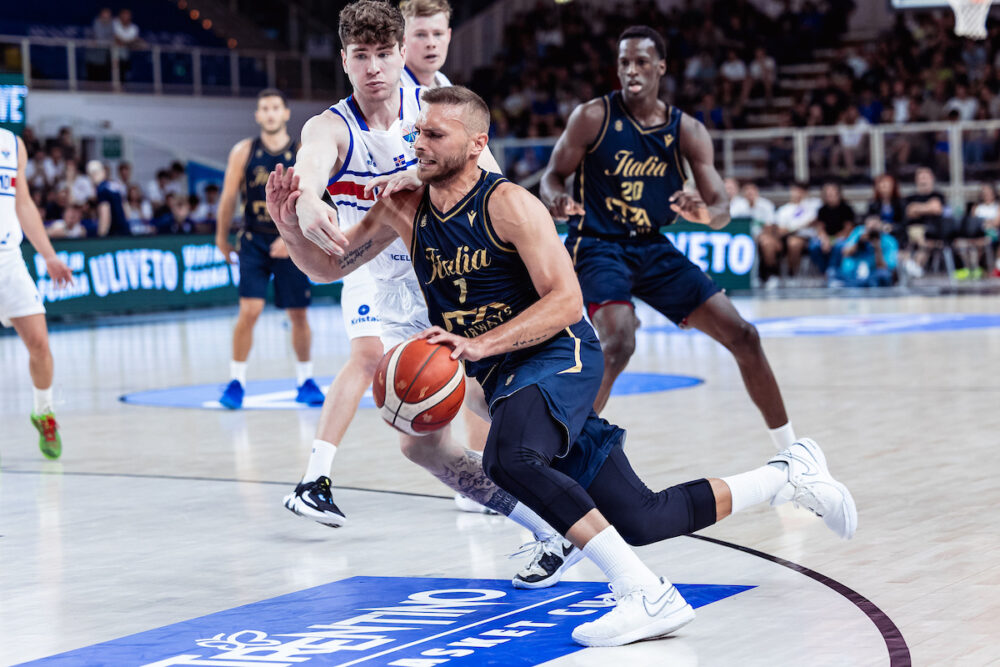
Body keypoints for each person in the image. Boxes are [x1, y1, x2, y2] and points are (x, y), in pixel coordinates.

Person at [265, 84, 857, 648]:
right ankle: (788, 474)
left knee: (507, 457)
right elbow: (331, 266)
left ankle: (644, 592)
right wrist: (290, 227)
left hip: (561, 355)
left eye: (436, 135)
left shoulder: (510, 205)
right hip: (510, 377)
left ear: (475, 145)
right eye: (418, 132)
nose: (419, 144)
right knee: (642, 517)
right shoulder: (400, 205)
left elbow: (567, 302)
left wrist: (480, 346)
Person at [280, 0, 571, 590]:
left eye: (383, 54)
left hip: (460, 272)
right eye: (360, 56)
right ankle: (545, 524)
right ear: (345, 61)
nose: (374, 68)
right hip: (386, 285)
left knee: (503, 409)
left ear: (400, 52)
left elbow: (489, 179)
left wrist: (417, 173)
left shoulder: (434, 112)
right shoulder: (331, 127)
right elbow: (311, 168)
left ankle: (575, 512)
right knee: (421, 447)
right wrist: (305, 203)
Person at [539, 26, 797, 454]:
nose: (631, 70)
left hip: (652, 246)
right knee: (619, 342)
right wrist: (556, 200)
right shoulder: (593, 117)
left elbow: (721, 211)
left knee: (745, 335)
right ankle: (568, 455)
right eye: (624, 62)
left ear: (661, 67)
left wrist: (703, 214)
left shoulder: (688, 130)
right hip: (598, 244)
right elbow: (552, 174)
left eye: (641, 61)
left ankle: (793, 451)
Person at [400, 0, 493, 515]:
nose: (431, 42)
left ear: (451, 35)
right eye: (421, 33)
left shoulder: (451, 92)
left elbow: (485, 168)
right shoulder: (395, 97)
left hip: (457, 250)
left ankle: (486, 468)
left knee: (476, 365)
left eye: (438, 33)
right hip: (403, 258)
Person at [213, 89, 323, 410]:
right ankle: (236, 381)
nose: (271, 113)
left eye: (276, 107)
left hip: (292, 240)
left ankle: (305, 380)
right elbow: (228, 198)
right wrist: (221, 237)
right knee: (250, 311)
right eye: (265, 108)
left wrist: (294, 236)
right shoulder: (244, 151)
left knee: (298, 314)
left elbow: (316, 198)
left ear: (286, 113)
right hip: (254, 240)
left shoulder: (302, 151)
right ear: (258, 115)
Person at [0, 127, 74, 459]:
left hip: (8, 259)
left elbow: (23, 203)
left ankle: (43, 412)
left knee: (40, 344)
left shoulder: (12, 145)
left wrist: (49, 255)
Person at [759, 182, 820, 283]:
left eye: (801, 191)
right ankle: (773, 274)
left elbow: (815, 221)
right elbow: (781, 230)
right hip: (785, 237)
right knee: (767, 243)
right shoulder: (784, 210)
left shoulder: (814, 205)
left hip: (807, 238)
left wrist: (793, 228)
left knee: (794, 243)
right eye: (795, 190)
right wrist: (799, 226)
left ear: (806, 192)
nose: (798, 193)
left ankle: (792, 275)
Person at [903, 167, 950, 274]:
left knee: (925, 238)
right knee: (915, 235)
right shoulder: (910, 197)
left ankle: (916, 265)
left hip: (935, 231)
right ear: (916, 180)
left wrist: (917, 208)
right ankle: (912, 266)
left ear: (932, 179)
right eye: (921, 177)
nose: (923, 180)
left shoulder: (938, 195)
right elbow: (909, 211)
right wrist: (928, 207)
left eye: (926, 177)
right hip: (912, 230)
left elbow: (937, 209)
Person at [400, 0, 452, 88]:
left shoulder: (444, 83)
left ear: (448, 36)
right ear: (403, 40)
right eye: (420, 35)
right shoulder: (390, 90)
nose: (431, 43)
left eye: (438, 34)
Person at [810, 180, 855, 280]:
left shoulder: (846, 208)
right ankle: (824, 271)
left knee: (839, 246)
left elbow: (848, 230)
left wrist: (833, 240)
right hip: (827, 238)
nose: (829, 196)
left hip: (841, 238)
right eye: (827, 193)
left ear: (838, 194)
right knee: (814, 246)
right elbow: (820, 228)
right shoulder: (822, 210)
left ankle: (832, 271)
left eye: (832, 193)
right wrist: (825, 240)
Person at [836, 214, 898, 287]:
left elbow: (886, 267)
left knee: (883, 275)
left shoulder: (889, 241)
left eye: (875, 227)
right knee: (833, 273)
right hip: (853, 273)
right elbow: (845, 253)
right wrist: (859, 242)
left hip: (874, 275)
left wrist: (877, 248)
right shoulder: (859, 232)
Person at [86, 160, 130, 237]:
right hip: (125, 231)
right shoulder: (114, 186)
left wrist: (101, 234)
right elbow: (126, 211)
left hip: (114, 234)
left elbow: (105, 214)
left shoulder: (101, 189)